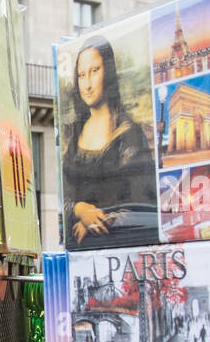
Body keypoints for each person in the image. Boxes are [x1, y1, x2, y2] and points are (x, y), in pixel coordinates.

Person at [62, 35, 158, 246]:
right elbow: (65, 196)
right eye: (81, 75)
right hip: (81, 249)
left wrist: (93, 222)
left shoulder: (128, 134)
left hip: (121, 247)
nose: (87, 84)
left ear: (109, 71)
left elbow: (140, 202)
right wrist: (80, 210)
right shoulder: (75, 137)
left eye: (94, 71)